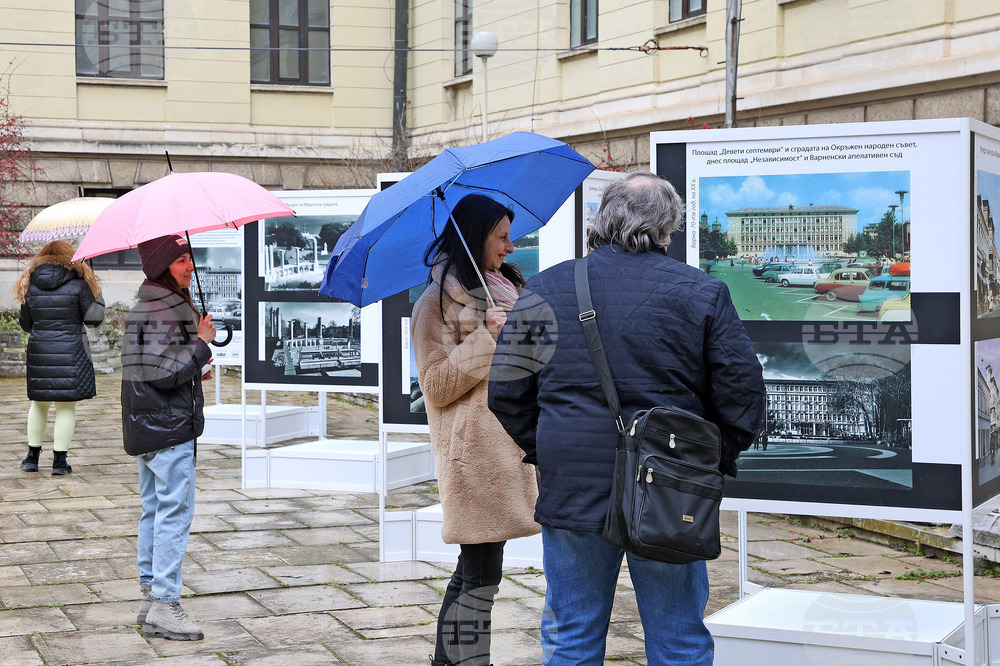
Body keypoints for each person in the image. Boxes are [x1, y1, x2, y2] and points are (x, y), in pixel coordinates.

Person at [489, 172, 765, 665]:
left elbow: (507, 393)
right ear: (666, 229)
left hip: (573, 483)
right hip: (670, 484)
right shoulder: (701, 292)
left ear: (601, 221)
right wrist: (707, 459)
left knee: (571, 635)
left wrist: (552, 446)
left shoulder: (543, 288)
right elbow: (743, 396)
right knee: (678, 638)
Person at [410, 193, 541, 666]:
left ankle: (453, 661)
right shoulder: (434, 303)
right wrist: (488, 339)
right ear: (475, 235)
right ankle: (462, 662)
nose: (510, 247)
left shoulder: (508, 289)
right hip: (476, 456)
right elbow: (437, 385)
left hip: (515, 445)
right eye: (501, 237)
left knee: (482, 570)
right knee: (480, 571)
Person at [121, 234, 216, 641]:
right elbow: (163, 372)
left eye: (188, 258)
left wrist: (194, 363)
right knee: (173, 513)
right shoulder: (162, 307)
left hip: (150, 426)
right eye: (181, 260)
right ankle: (164, 603)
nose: (189, 266)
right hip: (167, 428)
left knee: (154, 510)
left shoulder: (150, 304)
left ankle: (150, 597)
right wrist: (201, 346)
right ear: (163, 266)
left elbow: (154, 368)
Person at [13, 240, 105, 475]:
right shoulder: (78, 285)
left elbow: (25, 325)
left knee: (39, 404)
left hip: (40, 352)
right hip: (71, 351)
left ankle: (31, 458)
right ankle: (59, 463)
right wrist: (98, 297)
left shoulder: (30, 285)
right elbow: (93, 320)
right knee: (65, 407)